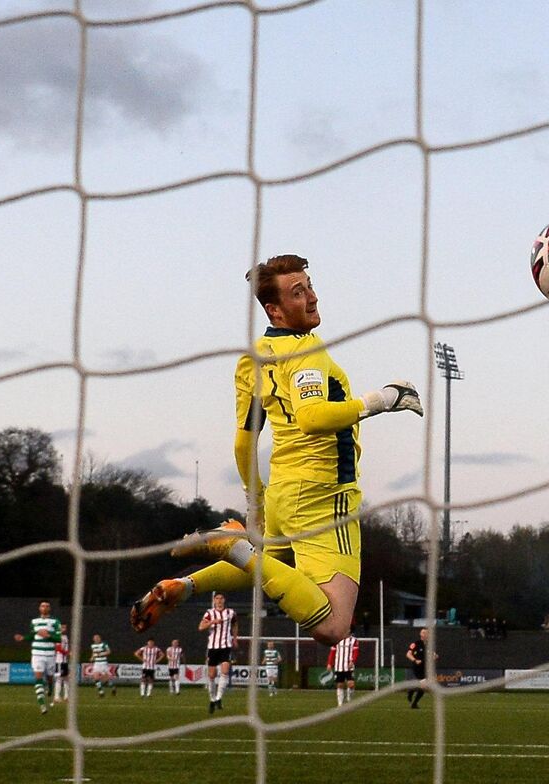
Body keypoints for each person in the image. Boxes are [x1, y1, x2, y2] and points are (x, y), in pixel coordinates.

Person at [132, 254, 422, 646]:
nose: (312, 298)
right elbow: (313, 417)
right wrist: (383, 399)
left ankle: (185, 585)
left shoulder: (253, 358)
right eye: (298, 293)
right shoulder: (305, 350)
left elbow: (243, 441)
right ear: (275, 308)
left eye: (310, 286)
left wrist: (256, 506)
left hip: (283, 494)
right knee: (333, 626)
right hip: (324, 494)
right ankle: (230, 546)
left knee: (275, 561)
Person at [13, 600, 62, 714]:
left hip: (50, 654)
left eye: (47, 606)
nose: (44, 607)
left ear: (49, 609)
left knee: (50, 677)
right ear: (39, 608)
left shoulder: (55, 622)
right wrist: (23, 638)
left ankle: (50, 687)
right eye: (42, 606)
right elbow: (32, 635)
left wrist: (48, 636)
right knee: (38, 678)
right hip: (37, 653)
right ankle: (42, 705)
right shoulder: (34, 621)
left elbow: (59, 638)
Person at [200, 593, 235, 714]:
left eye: (221, 598)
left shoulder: (230, 612)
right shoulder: (209, 613)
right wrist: (212, 622)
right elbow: (201, 627)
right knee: (212, 675)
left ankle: (219, 698)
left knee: (225, 671)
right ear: (214, 601)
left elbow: (235, 624)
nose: (219, 600)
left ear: (224, 600)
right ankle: (212, 699)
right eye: (217, 599)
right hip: (213, 647)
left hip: (226, 646)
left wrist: (235, 638)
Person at [405, 628, 436, 709]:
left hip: (426, 668)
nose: (425, 634)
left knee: (425, 686)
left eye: (427, 633)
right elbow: (408, 654)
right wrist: (415, 660)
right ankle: (413, 700)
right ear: (421, 634)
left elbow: (433, 654)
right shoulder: (416, 644)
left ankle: (411, 692)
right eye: (423, 632)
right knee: (424, 685)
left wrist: (435, 656)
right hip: (418, 667)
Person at [327, 633, 359, 706]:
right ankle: (340, 704)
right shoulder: (336, 640)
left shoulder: (354, 640)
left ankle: (349, 700)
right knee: (340, 684)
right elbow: (332, 652)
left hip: (349, 666)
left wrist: (352, 661)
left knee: (351, 684)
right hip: (339, 666)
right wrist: (329, 663)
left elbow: (355, 652)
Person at [89, 633, 115, 698]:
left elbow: (109, 651)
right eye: (95, 638)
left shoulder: (104, 644)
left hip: (103, 663)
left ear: (100, 638)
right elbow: (93, 652)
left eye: (97, 638)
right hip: (96, 663)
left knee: (105, 680)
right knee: (95, 677)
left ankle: (113, 687)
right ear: (93, 639)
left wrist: (100, 654)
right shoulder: (92, 646)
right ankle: (101, 693)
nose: (96, 639)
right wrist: (92, 657)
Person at [53, 633, 70, 704]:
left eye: (64, 627)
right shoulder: (57, 636)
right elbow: (58, 648)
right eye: (62, 627)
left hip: (64, 661)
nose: (64, 628)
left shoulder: (65, 636)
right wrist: (68, 652)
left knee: (66, 678)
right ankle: (56, 697)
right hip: (59, 661)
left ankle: (66, 697)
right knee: (59, 679)